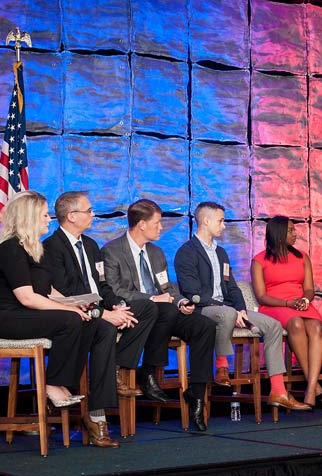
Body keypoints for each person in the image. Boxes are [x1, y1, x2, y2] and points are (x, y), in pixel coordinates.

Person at [43, 191, 160, 447]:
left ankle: (118, 365)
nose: (93, 215)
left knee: (147, 309)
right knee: (105, 329)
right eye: (88, 210)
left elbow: (102, 286)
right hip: (73, 313)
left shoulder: (92, 246)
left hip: (99, 310)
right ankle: (97, 417)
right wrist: (106, 315)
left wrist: (117, 306)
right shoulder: (52, 247)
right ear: (72, 216)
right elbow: (68, 292)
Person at [174, 201, 310, 411]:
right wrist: (228, 309)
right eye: (220, 221)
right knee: (226, 313)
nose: (224, 226)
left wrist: (241, 309)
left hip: (229, 309)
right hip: (203, 310)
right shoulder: (186, 252)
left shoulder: (221, 253)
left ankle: (278, 390)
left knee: (273, 326)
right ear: (206, 221)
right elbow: (192, 292)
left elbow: (233, 288)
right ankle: (221, 366)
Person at [101, 199, 216, 432]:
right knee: (162, 308)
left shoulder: (156, 252)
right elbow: (114, 290)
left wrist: (181, 300)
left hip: (166, 312)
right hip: (138, 311)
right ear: (141, 224)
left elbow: (167, 286)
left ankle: (196, 392)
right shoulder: (111, 251)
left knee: (205, 325)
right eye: (157, 222)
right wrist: (152, 299)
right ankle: (149, 371)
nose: (161, 227)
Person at [0, 191, 87, 408]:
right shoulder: (11, 248)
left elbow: (48, 289)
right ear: (29, 217)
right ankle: (52, 384)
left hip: (27, 313)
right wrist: (69, 311)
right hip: (9, 316)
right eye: (45, 215)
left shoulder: (36, 249)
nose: (50, 219)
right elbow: (27, 297)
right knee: (70, 321)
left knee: (85, 319)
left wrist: (73, 303)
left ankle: (64, 383)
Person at [251, 216, 322, 408]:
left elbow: (309, 288)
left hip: (300, 303)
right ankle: (313, 384)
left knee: (316, 326)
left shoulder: (302, 257)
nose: (295, 234)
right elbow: (261, 296)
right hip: (275, 305)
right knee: (296, 324)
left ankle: (310, 387)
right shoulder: (259, 261)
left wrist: (305, 300)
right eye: (291, 230)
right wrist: (287, 303)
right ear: (279, 234)